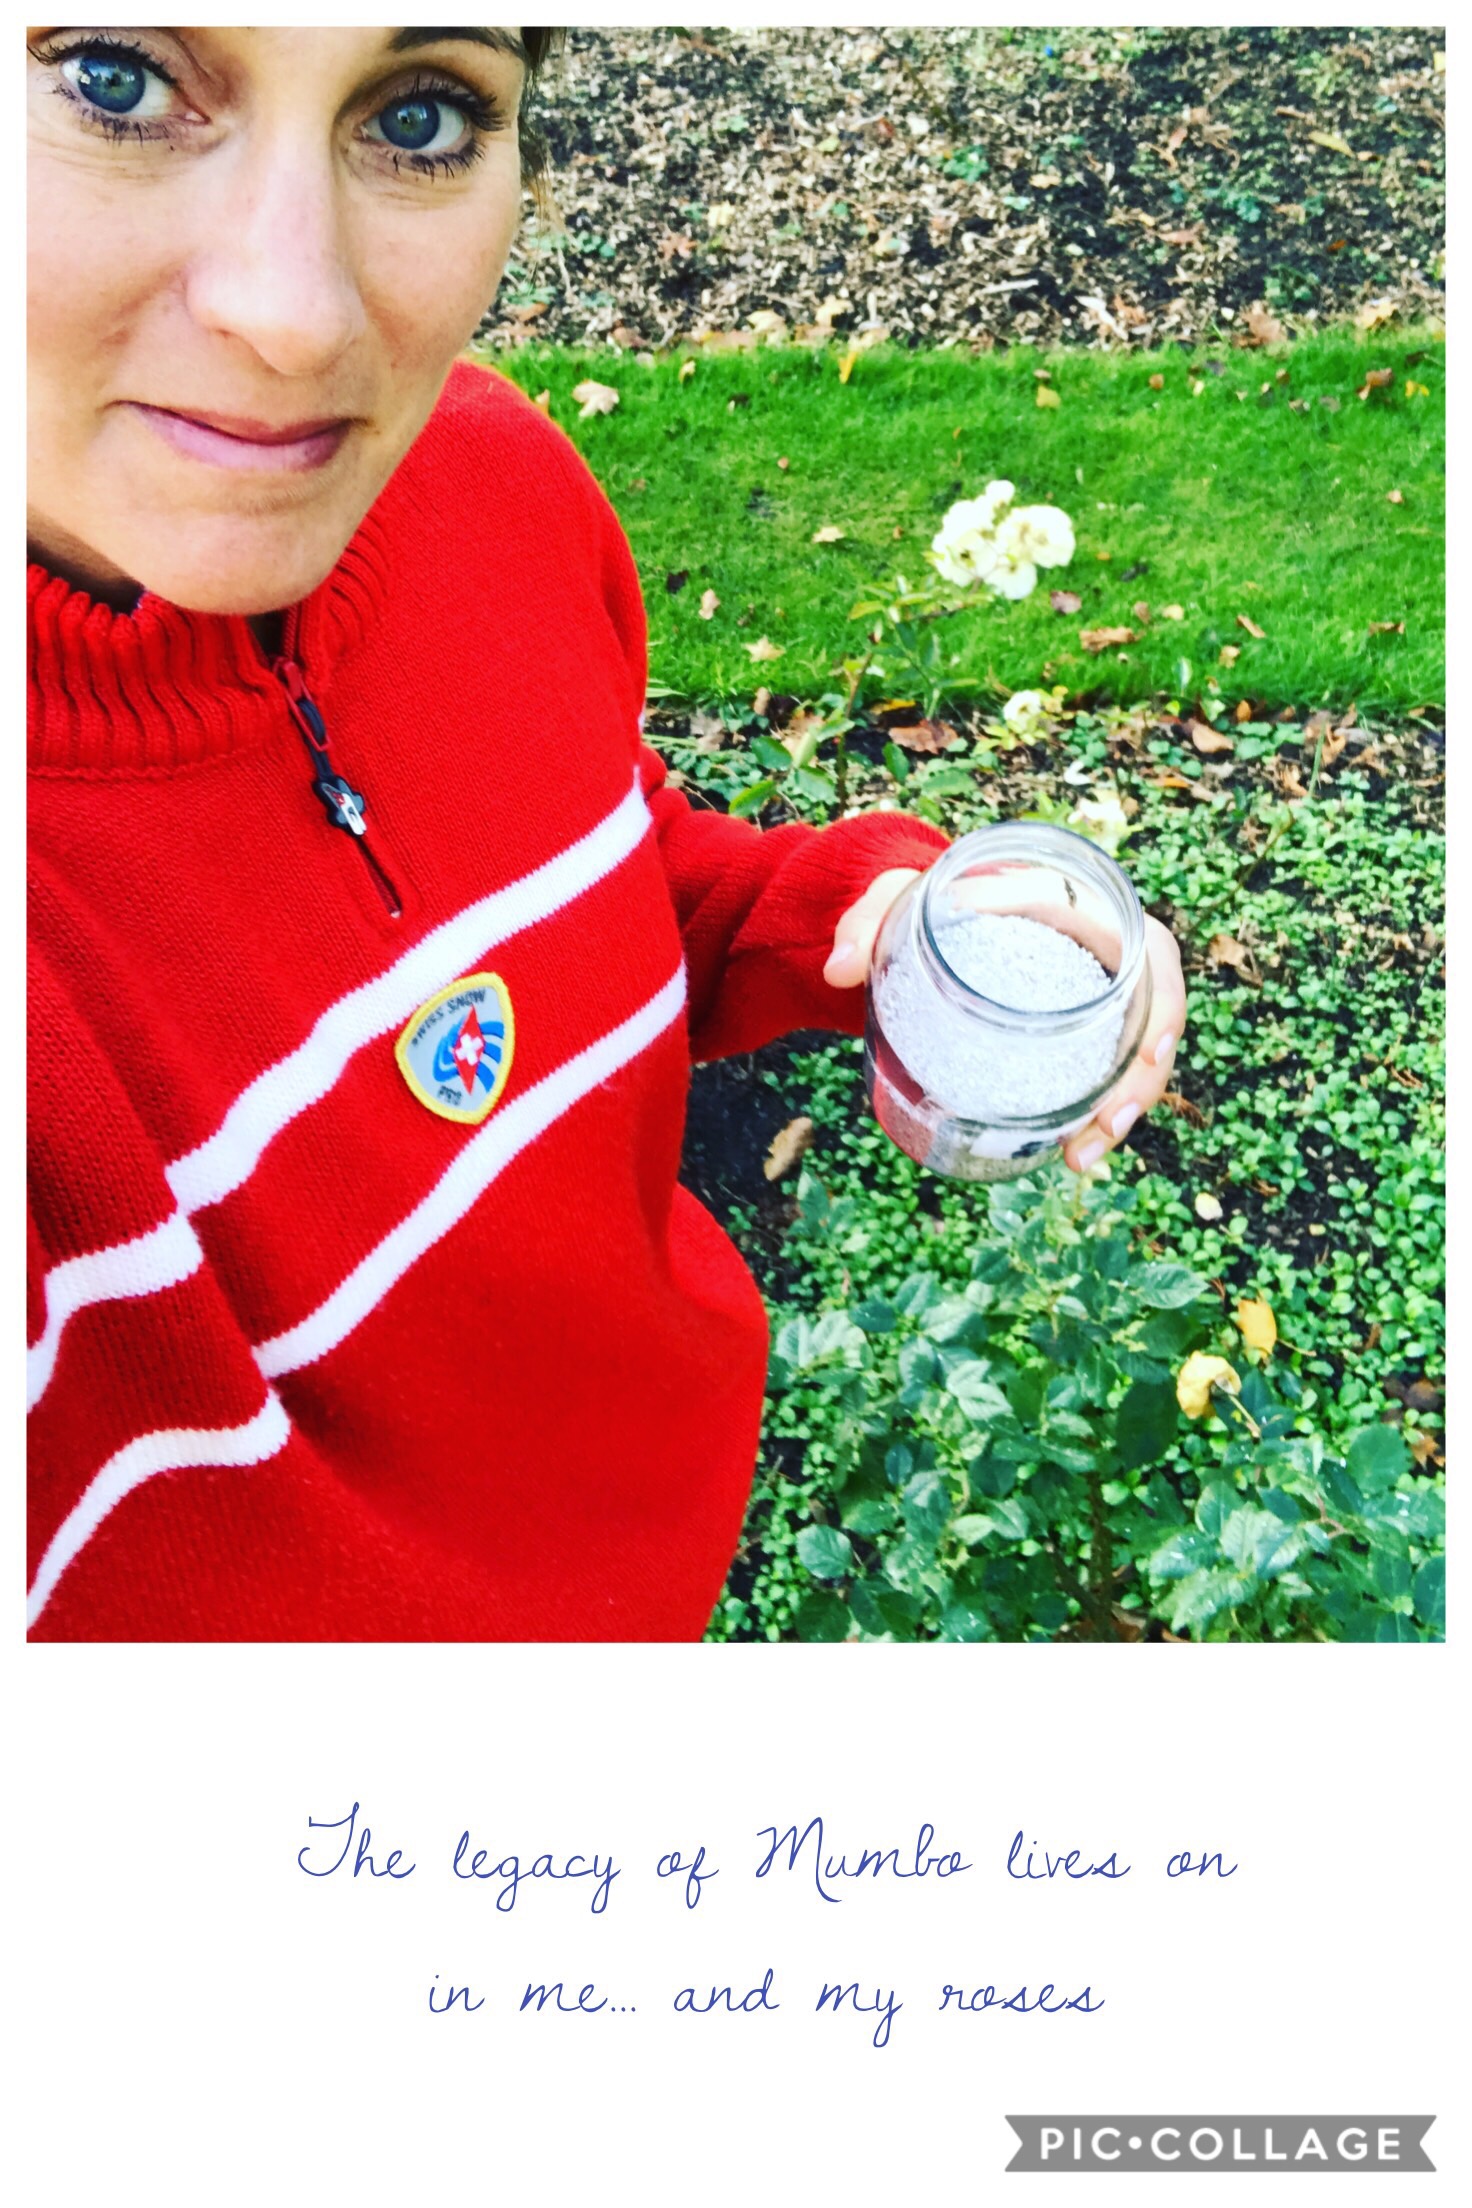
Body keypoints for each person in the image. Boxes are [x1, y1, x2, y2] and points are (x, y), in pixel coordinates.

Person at [26, 27, 1186, 1640]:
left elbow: (593, 868)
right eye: (114, 79)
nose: (296, 317)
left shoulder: (485, 478)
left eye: (419, 113)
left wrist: (855, 917)